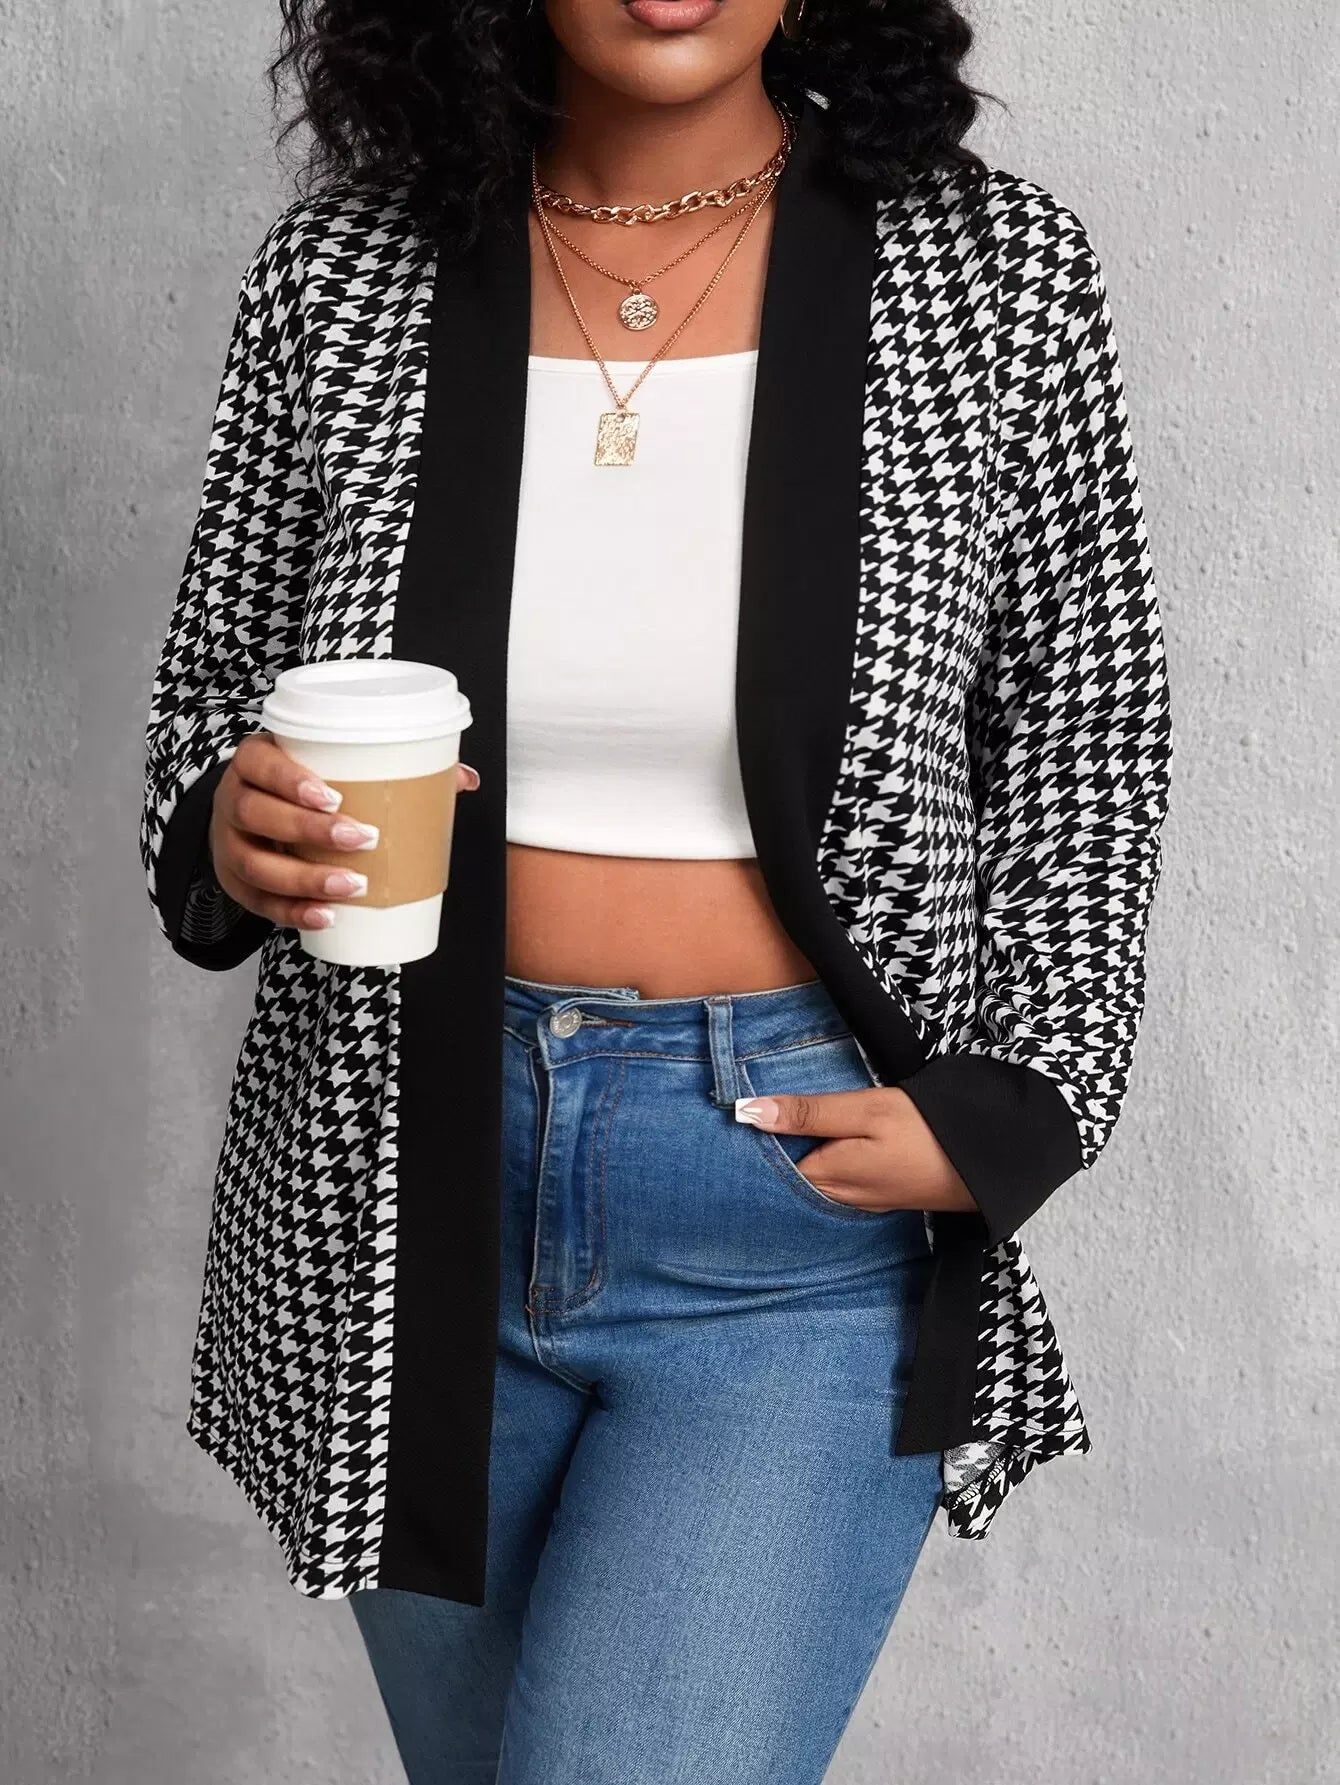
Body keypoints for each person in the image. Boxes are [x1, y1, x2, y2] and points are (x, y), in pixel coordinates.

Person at [138, 1, 1172, 1780]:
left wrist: (1016, 1097)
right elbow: (211, 689)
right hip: (398, 1195)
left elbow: (1088, 721)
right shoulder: (346, 274)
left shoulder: (991, 274)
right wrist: (226, 821)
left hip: (787, 1225)